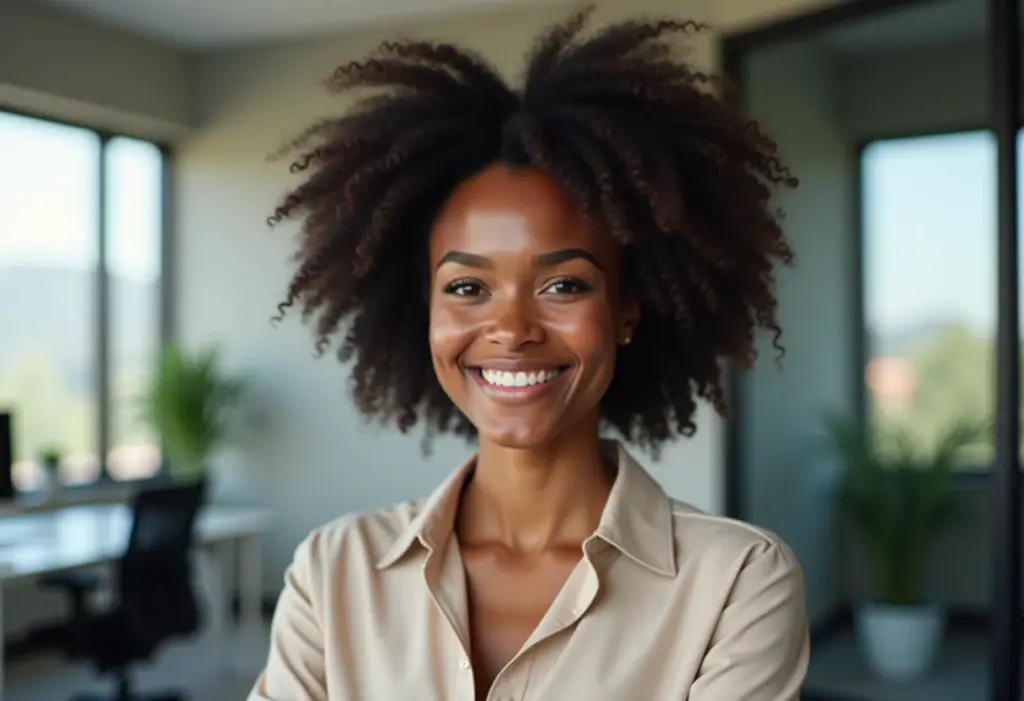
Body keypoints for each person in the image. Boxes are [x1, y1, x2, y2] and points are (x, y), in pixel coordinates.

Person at [250, 8, 808, 701]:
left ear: (626, 311)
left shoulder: (737, 581)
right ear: (423, 312)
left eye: (564, 283)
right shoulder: (334, 570)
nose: (511, 327)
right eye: (467, 286)